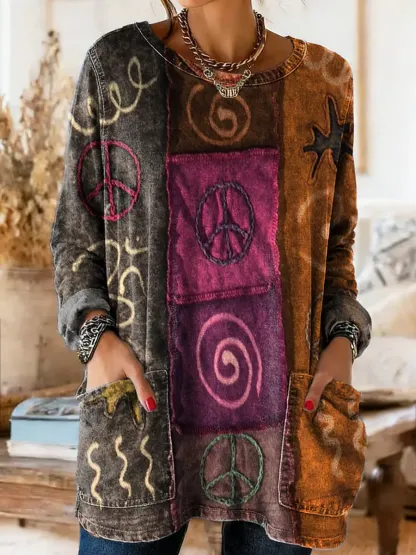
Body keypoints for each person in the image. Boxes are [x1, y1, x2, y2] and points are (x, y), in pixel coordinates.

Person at [50, 0, 372, 553]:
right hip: (142, 419)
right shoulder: (117, 66)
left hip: (287, 427)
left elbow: (335, 245)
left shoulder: (324, 81)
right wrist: (94, 339)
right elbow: (76, 235)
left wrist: (342, 340)